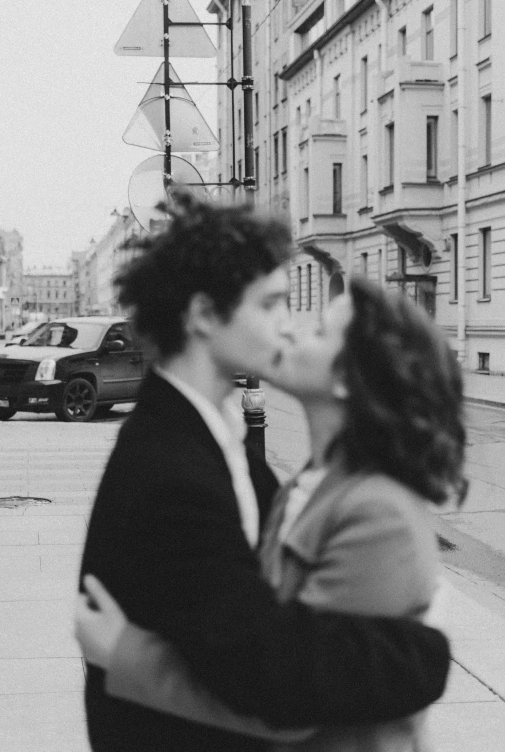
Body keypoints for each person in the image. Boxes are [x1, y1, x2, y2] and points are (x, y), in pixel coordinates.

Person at [77, 193, 451, 752]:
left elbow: (277, 665)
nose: (289, 327)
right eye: (271, 304)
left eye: (315, 327)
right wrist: (420, 657)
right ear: (205, 315)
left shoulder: (227, 446)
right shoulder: (175, 467)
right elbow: (272, 672)